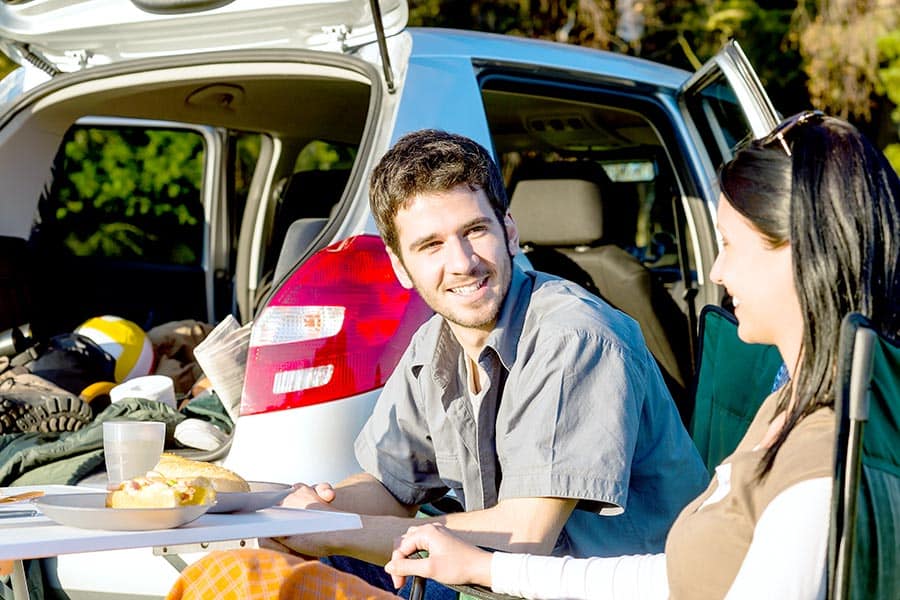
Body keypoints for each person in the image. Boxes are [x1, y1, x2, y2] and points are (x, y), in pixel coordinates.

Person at [380, 112, 900, 599]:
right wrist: (483, 568)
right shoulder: (790, 405)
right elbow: (669, 576)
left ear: (802, 254)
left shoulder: (824, 466)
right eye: (430, 245)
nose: (716, 272)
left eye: (732, 245)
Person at [249, 129, 708, 596]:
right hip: (491, 582)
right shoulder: (433, 343)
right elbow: (390, 488)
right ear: (400, 266)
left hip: (594, 587)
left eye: (474, 231)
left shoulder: (574, 338)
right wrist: (304, 515)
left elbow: (526, 535)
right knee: (261, 566)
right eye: (431, 245)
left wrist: (335, 532)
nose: (463, 263)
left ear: (509, 230)